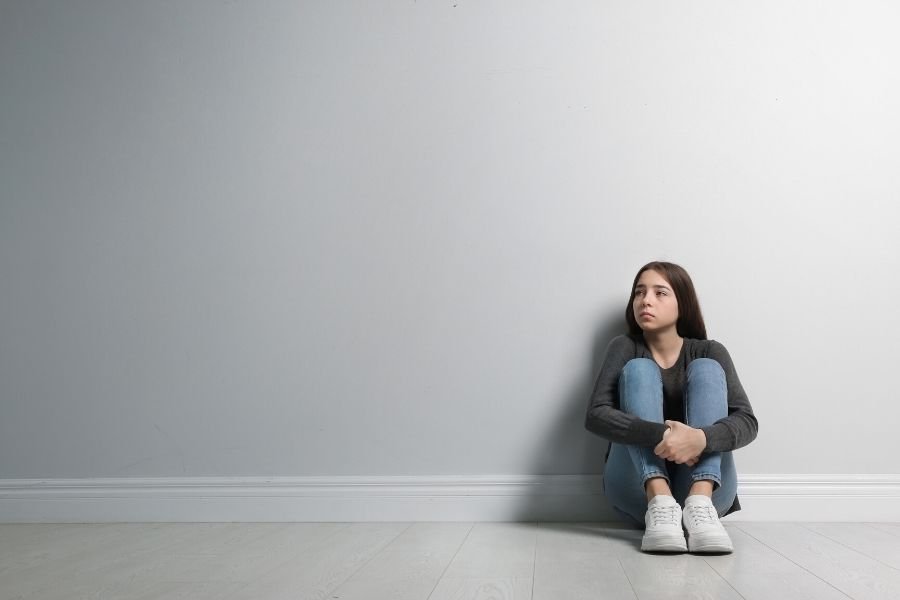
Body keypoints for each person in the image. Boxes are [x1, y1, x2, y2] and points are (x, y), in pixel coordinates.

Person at [584, 261, 758, 553]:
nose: (645, 300)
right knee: (639, 369)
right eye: (639, 293)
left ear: (683, 303)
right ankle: (660, 501)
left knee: (707, 368)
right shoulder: (625, 347)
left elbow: (747, 422)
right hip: (637, 492)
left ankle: (700, 505)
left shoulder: (710, 350)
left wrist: (699, 439)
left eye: (659, 293)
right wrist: (663, 436)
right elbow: (596, 415)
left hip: (711, 491)